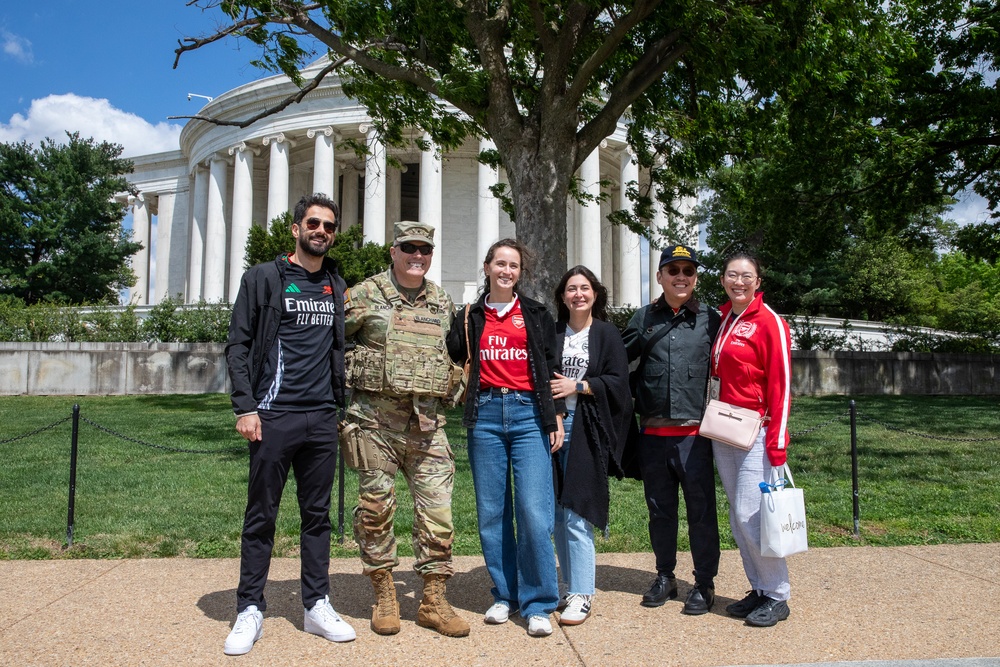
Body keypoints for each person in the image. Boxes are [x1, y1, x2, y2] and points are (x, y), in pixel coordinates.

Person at [223, 193, 355, 655]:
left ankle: (316, 604)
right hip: (272, 416)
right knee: (262, 515)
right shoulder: (263, 278)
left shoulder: (337, 284)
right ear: (295, 228)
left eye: (329, 226)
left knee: (317, 518)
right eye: (314, 223)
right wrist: (245, 407)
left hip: (321, 417)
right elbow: (238, 345)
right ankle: (248, 608)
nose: (321, 231)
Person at [342, 220, 470, 638]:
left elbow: (451, 352)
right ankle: (384, 592)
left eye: (425, 250)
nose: (418, 256)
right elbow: (328, 342)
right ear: (393, 251)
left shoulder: (441, 300)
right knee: (376, 511)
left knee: (438, 514)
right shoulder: (363, 295)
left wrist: (457, 381)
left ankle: (433, 599)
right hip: (374, 426)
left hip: (428, 427)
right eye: (410, 248)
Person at [446, 239, 565, 638]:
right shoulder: (470, 316)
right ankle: (504, 594)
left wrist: (557, 417)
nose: (506, 271)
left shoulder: (535, 313)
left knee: (533, 511)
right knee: (492, 512)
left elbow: (550, 367)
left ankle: (539, 602)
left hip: (528, 414)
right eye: (500, 264)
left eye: (513, 265)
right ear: (487, 267)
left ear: (520, 272)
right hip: (485, 416)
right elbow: (451, 354)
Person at [622, 244, 722, 615]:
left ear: (695, 278)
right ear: (660, 275)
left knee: (701, 512)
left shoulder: (712, 320)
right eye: (673, 270)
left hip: (695, 438)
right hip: (653, 438)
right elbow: (618, 359)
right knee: (659, 512)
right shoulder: (643, 318)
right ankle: (665, 575)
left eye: (688, 271)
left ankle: (704, 583)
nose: (681, 277)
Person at [707, 250, 793, 627]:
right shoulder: (725, 317)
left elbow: (782, 384)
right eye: (731, 275)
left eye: (746, 276)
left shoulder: (768, 321)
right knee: (738, 515)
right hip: (724, 427)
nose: (738, 282)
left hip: (757, 430)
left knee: (751, 513)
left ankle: (778, 594)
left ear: (758, 281)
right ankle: (758, 587)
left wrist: (777, 442)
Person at [548, 266, 631, 626]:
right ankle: (568, 588)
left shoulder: (606, 334)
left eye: (584, 288)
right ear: (562, 297)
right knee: (554, 514)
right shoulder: (551, 334)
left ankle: (582, 593)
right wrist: (554, 416)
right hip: (551, 431)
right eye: (571, 289)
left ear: (595, 295)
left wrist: (578, 387)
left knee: (577, 512)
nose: (578, 294)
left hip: (587, 431)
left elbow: (618, 382)